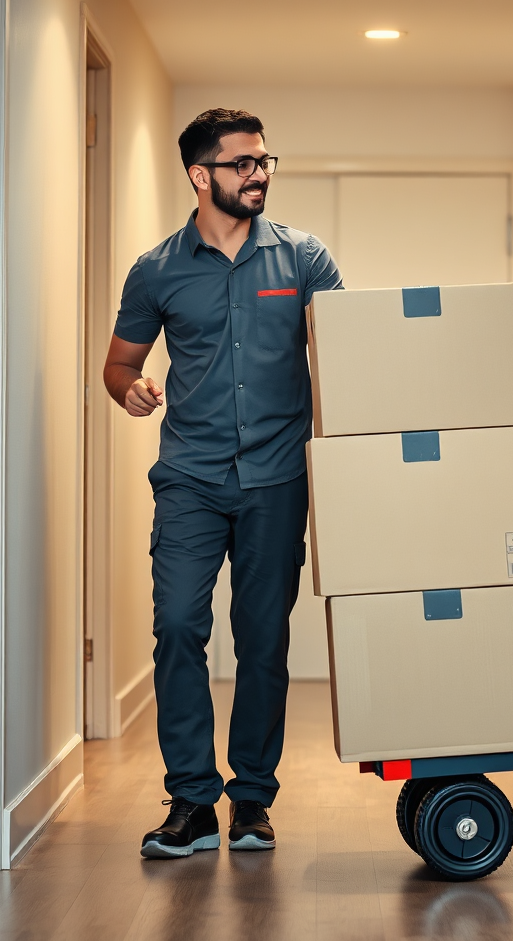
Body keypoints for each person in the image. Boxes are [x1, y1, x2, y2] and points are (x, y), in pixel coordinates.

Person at [103, 108, 342, 857]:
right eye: (243, 163)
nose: (260, 174)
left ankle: (252, 801)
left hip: (277, 479)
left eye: (265, 161)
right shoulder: (157, 269)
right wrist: (131, 388)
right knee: (178, 627)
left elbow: (349, 356)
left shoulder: (304, 260)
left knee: (262, 640)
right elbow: (117, 364)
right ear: (201, 175)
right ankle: (190, 802)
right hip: (190, 479)